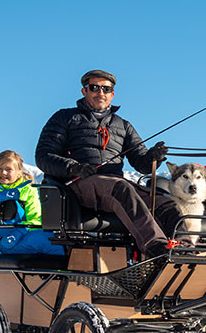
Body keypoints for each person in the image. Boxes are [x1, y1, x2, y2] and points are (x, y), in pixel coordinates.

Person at [35, 70, 175, 258]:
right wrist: (73, 167)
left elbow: (141, 163)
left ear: (112, 94)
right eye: (94, 88)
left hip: (114, 185)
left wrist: (153, 158)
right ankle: (156, 248)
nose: (100, 93)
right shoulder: (65, 118)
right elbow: (44, 155)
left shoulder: (123, 125)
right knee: (120, 188)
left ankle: (184, 247)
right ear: (84, 91)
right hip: (78, 185)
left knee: (166, 203)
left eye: (106, 89)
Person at [0, 150, 65, 256]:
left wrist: (18, 233)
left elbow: (36, 218)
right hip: (6, 243)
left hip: (24, 236)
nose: (3, 173)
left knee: (55, 240)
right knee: (51, 242)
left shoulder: (27, 190)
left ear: (19, 171)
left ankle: (62, 269)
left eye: (8, 169)